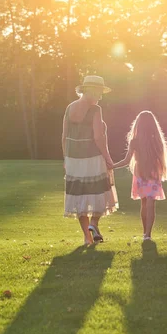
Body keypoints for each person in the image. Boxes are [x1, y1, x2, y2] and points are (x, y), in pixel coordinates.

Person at [62, 75, 118, 246]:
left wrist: (66, 158)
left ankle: (87, 238)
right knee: (100, 190)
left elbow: (64, 136)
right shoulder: (95, 110)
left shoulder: (69, 108)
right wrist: (108, 158)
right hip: (92, 156)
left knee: (79, 195)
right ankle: (94, 224)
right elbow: (98, 137)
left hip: (73, 158)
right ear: (95, 91)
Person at [113, 111, 167, 241]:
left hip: (140, 174)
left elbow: (126, 161)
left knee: (144, 203)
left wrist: (112, 165)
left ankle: (146, 232)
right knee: (150, 203)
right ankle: (148, 234)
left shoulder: (135, 141)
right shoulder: (156, 141)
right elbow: (161, 159)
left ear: (138, 125)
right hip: (153, 173)